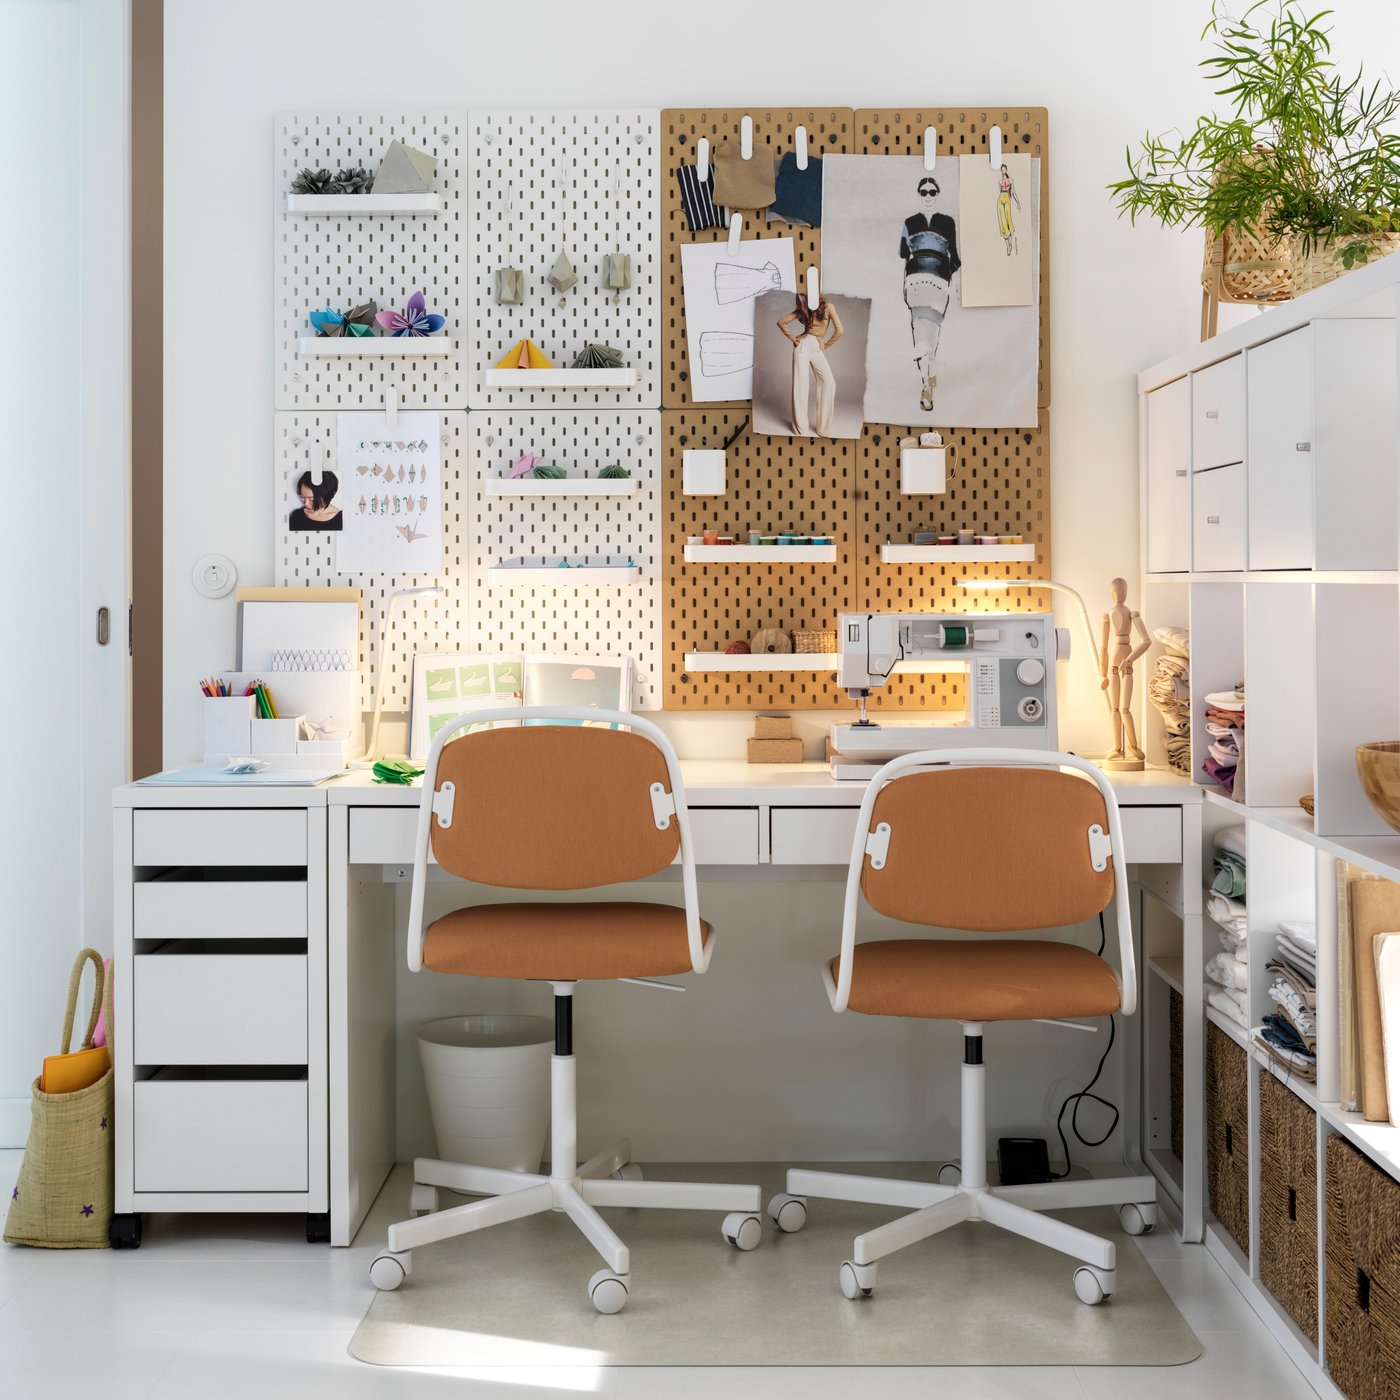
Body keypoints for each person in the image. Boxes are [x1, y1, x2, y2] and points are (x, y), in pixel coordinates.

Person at [900, 176, 960, 413]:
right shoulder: (909, 222)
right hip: (916, 281)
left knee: (930, 339)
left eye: (932, 192)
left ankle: (928, 377)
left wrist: (951, 285)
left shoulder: (947, 222)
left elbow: (954, 256)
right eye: (923, 192)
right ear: (918, 194)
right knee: (921, 337)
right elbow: (904, 256)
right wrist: (902, 285)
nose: (927, 196)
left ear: (937, 194)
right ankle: (926, 384)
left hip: (937, 282)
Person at [1100, 576, 1152, 769]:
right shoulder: (1107, 616)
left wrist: (1129, 659)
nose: (1118, 594)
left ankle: (1133, 746)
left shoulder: (1132, 614)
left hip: (1126, 661)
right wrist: (1102, 674)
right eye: (1115, 590)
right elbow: (1103, 647)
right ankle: (1117, 748)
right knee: (1114, 709)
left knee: (1124, 709)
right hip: (1114, 663)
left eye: (1121, 589)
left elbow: (1146, 641)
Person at [776, 294, 843, 437]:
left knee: (828, 383)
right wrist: (793, 338)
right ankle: (803, 429)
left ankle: (821, 429)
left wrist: (825, 345)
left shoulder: (828, 307)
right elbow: (781, 322)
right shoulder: (806, 308)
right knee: (802, 386)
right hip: (803, 346)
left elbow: (840, 331)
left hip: (812, 346)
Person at [997, 162, 1021, 255]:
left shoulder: (1011, 180)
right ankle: (1008, 247)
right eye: (1001, 170)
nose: (1003, 171)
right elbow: (1000, 192)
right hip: (1000, 200)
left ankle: (1011, 244)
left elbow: (1013, 192)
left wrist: (1018, 202)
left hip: (1007, 199)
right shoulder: (999, 182)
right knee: (1002, 223)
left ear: (1006, 170)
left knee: (1008, 221)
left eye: (1004, 169)